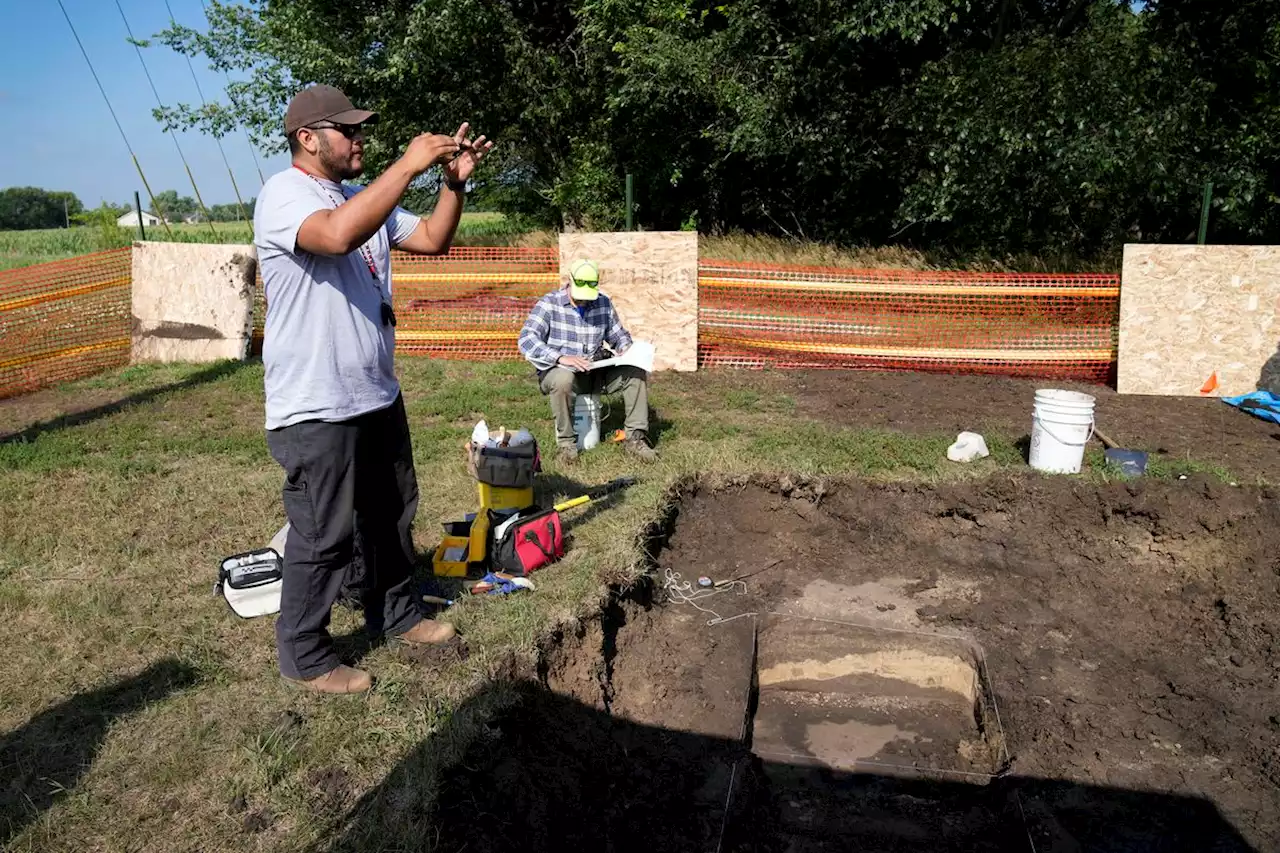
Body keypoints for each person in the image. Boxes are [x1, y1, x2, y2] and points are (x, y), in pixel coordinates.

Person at [253, 84, 494, 695]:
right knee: (323, 533)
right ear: (308, 139)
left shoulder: (363, 199)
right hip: (315, 403)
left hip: (374, 393)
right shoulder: (284, 195)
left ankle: (395, 615)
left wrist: (452, 182)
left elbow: (435, 240)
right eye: (347, 129)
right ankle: (304, 652)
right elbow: (335, 236)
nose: (359, 137)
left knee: (389, 517)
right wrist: (408, 164)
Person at [517, 259, 657, 464]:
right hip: (560, 372)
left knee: (635, 372)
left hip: (595, 372)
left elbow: (619, 336)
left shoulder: (603, 303)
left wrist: (625, 349)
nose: (584, 300)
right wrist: (560, 357)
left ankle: (634, 439)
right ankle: (567, 446)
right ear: (570, 282)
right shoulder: (549, 304)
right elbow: (526, 338)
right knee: (563, 378)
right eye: (580, 296)